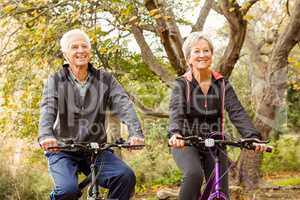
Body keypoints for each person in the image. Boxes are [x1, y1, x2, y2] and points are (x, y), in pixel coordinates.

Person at [38, 29, 144, 200]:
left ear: (90, 50)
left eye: (84, 46)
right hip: (62, 148)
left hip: (95, 149)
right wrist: (46, 136)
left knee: (125, 176)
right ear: (66, 54)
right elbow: (48, 108)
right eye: (74, 47)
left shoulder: (105, 79)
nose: (81, 50)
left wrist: (135, 133)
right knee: (67, 191)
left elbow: (123, 104)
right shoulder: (56, 80)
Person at [168, 32, 268, 200]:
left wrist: (252, 137)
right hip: (186, 142)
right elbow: (176, 110)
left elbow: (236, 111)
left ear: (212, 55)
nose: (202, 55)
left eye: (206, 51)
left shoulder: (222, 84)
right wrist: (175, 133)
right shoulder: (182, 84)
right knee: (194, 174)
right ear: (188, 58)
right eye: (197, 51)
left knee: (220, 189)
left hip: (216, 142)